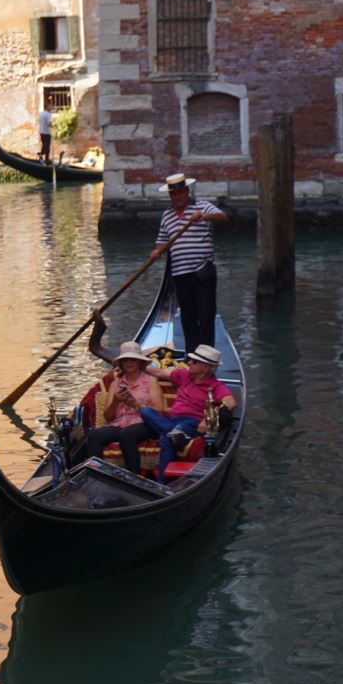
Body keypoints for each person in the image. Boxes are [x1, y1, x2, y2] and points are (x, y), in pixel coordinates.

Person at [149, 173, 226, 350]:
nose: (177, 197)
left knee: (206, 314)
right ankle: (192, 354)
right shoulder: (167, 215)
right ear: (170, 196)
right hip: (180, 274)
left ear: (186, 191)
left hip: (203, 271)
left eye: (180, 193)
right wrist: (157, 251)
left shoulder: (203, 206)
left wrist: (203, 216)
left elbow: (223, 217)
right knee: (187, 316)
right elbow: (162, 240)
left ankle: (205, 355)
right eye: (173, 194)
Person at [141, 344, 237, 482]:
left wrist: (209, 418)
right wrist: (138, 366)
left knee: (165, 439)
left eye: (194, 361)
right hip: (171, 421)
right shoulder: (184, 375)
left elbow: (231, 403)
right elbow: (159, 373)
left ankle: (161, 483)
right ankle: (176, 435)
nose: (189, 362)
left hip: (191, 422)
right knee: (146, 411)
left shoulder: (216, 386)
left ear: (206, 367)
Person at [77, 341, 164, 476]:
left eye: (132, 359)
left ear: (139, 362)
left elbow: (159, 412)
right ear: (121, 363)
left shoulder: (151, 381)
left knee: (128, 434)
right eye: (125, 360)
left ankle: (134, 477)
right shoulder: (115, 384)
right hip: (119, 424)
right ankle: (94, 475)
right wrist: (115, 401)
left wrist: (134, 403)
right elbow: (108, 417)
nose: (129, 363)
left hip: (145, 424)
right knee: (95, 435)